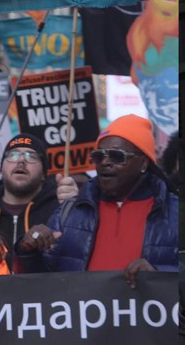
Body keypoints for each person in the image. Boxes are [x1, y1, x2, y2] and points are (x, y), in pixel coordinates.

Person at [14, 114, 178, 288]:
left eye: (117, 156)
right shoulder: (71, 211)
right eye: (99, 156)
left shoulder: (174, 211)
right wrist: (27, 250)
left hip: (147, 314)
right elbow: (42, 283)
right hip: (81, 314)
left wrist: (158, 275)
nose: (105, 162)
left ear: (143, 163)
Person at [0, 134, 78, 250]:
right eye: (13, 155)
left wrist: (75, 208)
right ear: (1, 169)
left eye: (31, 156)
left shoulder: (58, 212)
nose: (21, 160)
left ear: (43, 174)